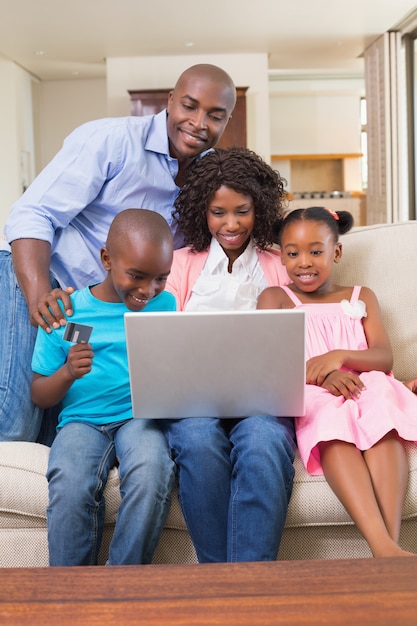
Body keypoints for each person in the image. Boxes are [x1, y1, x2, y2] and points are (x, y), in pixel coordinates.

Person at [0, 63, 237, 444]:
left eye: (215, 115)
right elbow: (32, 214)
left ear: (227, 120)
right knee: (16, 427)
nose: (198, 122)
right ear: (170, 101)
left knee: (58, 423)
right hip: (49, 278)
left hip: (103, 306)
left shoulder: (212, 174)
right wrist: (40, 295)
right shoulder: (110, 141)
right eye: (189, 106)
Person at [257, 206, 417, 558]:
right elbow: (269, 365)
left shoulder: (362, 296)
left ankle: (385, 548)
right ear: (281, 256)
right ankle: (384, 547)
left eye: (316, 251)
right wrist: (324, 373)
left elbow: (383, 357)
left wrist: (341, 357)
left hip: (364, 386)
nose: (304, 262)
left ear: (337, 252)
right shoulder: (276, 299)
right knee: (331, 425)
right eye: (293, 253)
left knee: (381, 415)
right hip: (314, 393)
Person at [162, 146, 295, 563]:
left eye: (243, 210)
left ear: (261, 208)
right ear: (202, 211)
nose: (231, 224)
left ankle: (252, 580)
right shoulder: (181, 264)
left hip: (262, 399)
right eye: (219, 212)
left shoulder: (278, 264)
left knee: (265, 440)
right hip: (193, 398)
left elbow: (296, 333)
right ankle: (219, 577)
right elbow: (163, 335)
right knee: (197, 440)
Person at [31, 209, 176, 566]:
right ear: (107, 259)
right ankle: (71, 590)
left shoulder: (167, 306)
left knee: (152, 469)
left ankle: (121, 581)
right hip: (82, 421)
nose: (148, 290)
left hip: (138, 418)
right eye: (137, 276)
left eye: (161, 278)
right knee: (69, 483)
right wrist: (67, 373)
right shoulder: (67, 312)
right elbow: (39, 394)